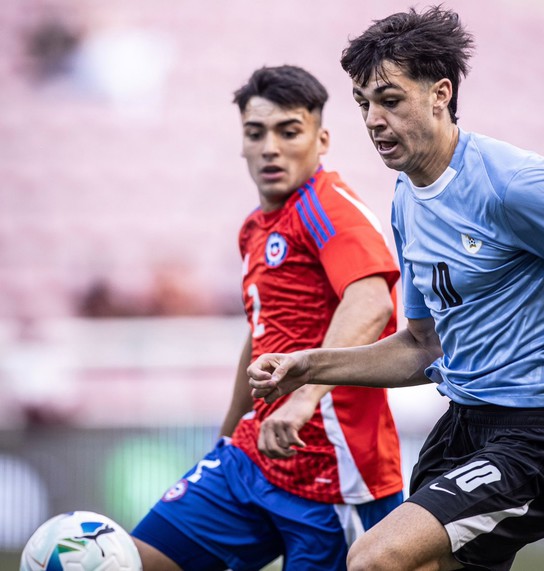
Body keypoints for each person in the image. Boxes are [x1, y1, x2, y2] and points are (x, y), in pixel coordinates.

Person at [248, 7, 544, 571]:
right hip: (460, 427)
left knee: (375, 559)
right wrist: (309, 366)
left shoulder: (512, 184)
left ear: (440, 93)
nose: (373, 119)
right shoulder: (409, 197)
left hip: (537, 437)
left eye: (390, 99)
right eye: (363, 103)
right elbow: (421, 346)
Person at [131, 65, 404, 571]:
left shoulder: (330, 208)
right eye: (256, 133)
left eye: (288, 131)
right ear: (242, 143)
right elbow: (259, 338)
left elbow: (373, 303)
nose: (270, 147)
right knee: (133, 560)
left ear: (321, 139)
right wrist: (229, 431)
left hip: (333, 478)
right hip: (252, 456)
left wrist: (301, 402)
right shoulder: (255, 229)